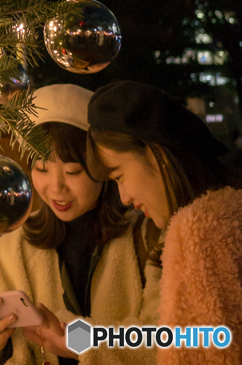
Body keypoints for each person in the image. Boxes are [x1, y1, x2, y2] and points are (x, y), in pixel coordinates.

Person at [0, 84, 160, 365]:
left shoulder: (147, 236)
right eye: (41, 169)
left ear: (103, 168)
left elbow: (167, 337)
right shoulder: (17, 247)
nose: (56, 188)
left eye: (73, 171)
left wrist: (81, 343)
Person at [81, 81, 242, 364]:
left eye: (119, 176)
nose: (125, 197)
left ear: (156, 155)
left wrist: (76, 339)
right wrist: (74, 337)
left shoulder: (202, 229)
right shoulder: (182, 225)